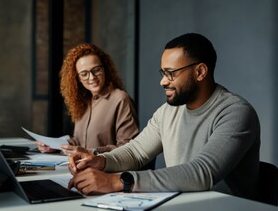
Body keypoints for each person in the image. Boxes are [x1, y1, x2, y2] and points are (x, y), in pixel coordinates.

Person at [67, 33, 261, 200]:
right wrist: (101, 161)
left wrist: (119, 181)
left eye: (170, 73)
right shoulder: (168, 111)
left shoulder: (236, 113)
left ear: (200, 72)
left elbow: (202, 172)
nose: (162, 81)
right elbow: (135, 152)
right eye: (163, 72)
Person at [36, 43, 139, 155]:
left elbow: (128, 148)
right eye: (84, 74)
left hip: (106, 170)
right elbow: (80, 142)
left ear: (105, 69)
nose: (92, 77)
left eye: (96, 70)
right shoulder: (82, 101)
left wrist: (91, 152)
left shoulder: (120, 99)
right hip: (82, 167)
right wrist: (54, 146)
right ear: (78, 78)